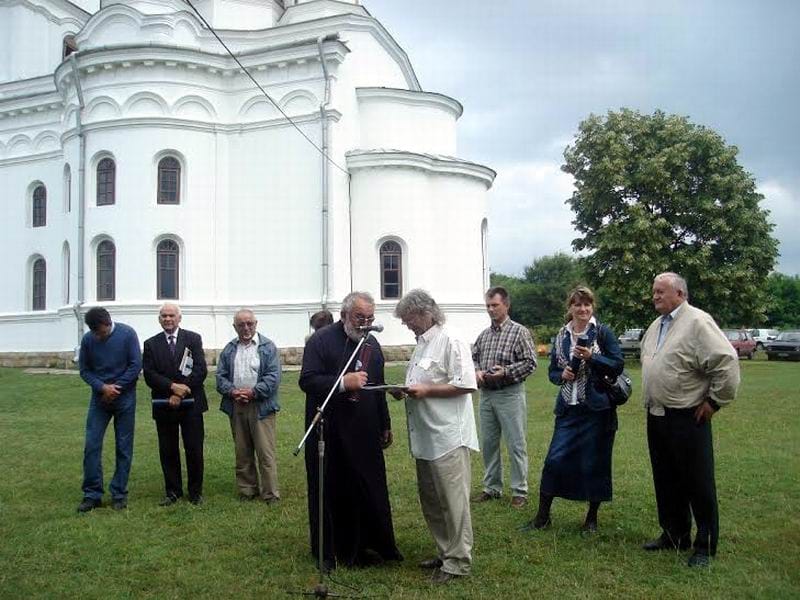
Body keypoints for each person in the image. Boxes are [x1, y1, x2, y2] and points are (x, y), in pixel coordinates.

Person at [640, 272, 740, 567]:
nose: (655, 296)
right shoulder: (657, 325)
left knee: (697, 481)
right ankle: (675, 534)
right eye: (654, 291)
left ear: (680, 294)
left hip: (687, 416)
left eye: (661, 291)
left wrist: (714, 401)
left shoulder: (697, 322)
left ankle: (704, 546)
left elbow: (726, 361)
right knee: (666, 479)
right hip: (657, 415)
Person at [299, 292, 402, 572]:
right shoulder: (320, 341)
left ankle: (371, 545)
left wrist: (385, 423)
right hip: (330, 431)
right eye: (359, 317)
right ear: (344, 315)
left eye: (370, 318)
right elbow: (307, 381)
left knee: (367, 487)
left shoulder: (372, 344)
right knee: (331, 489)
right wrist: (343, 382)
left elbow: (377, 386)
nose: (365, 323)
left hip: (365, 430)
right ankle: (331, 550)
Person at [521, 286, 623, 534]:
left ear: (592, 307)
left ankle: (591, 519)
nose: (583, 309)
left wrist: (592, 357)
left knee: (594, 463)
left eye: (587, 304)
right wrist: (562, 374)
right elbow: (553, 371)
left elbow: (617, 364)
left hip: (597, 410)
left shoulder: (602, 332)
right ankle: (542, 517)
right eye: (577, 304)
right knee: (554, 460)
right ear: (570, 307)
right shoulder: (562, 335)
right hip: (569, 408)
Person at [393, 289, 479, 584]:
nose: (406, 324)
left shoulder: (451, 339)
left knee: (453, 503)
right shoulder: (422, 343)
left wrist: (427, 391)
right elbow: (421, 380)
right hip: (426, 437)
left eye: (409, 318)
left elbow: (466, 384)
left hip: (448, 437)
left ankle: (458, 562)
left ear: (425, 313)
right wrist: (404, 390)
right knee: (432, 501)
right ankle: (445, 552)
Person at [472, 286, 537, 508]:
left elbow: (531, 362)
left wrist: (506, 372)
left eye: (495, 305)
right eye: (488, 306)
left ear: (506, 305)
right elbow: (473, 357)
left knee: (516, 443)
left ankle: (520, 490)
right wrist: (477, 371)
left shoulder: (519, 332)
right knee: (489, 443)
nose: (491, 309)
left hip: (510, 394)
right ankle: (492, 487)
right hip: (486, 395)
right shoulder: (483, 335)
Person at [77, 307, 142, 512]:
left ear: (108, 322)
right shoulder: (88, 340)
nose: (98, 336)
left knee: (123, 446)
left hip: (125, 399)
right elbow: (84, 370)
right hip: (99, 399)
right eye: (95, 332)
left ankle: (119, 493)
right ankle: (92, 494)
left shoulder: (127, 334)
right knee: (92, 444)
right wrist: (102, 387)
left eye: (101, 332)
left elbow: (135, 365)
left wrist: (116, 388)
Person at [142, 303, 208, 506]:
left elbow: (200, 370)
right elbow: (150, 374)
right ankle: (172, 491)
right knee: (168, 450)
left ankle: (195, 492)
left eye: (171, 315)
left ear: (179, 318)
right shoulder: (151, 344)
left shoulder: (193, 339)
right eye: (164, 316)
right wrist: (172, 387)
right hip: (164, 404)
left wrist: (182, 391)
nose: (168, 319)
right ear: (159, 319)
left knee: (194, 449)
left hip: (191, 404)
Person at [216, 309, 281, 502]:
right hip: (237, 405)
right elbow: (220, 377)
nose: (246, 328)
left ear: (256, 324)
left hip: (261, 406)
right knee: (242, 452)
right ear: (234, 327)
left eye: (249, 324)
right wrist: (233, 392)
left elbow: (273, 377)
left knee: (265, 452)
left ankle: (270, 493)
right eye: (241, 325)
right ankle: (247, 490)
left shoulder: (268, 347)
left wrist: (253, 392)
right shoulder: (229, 349)